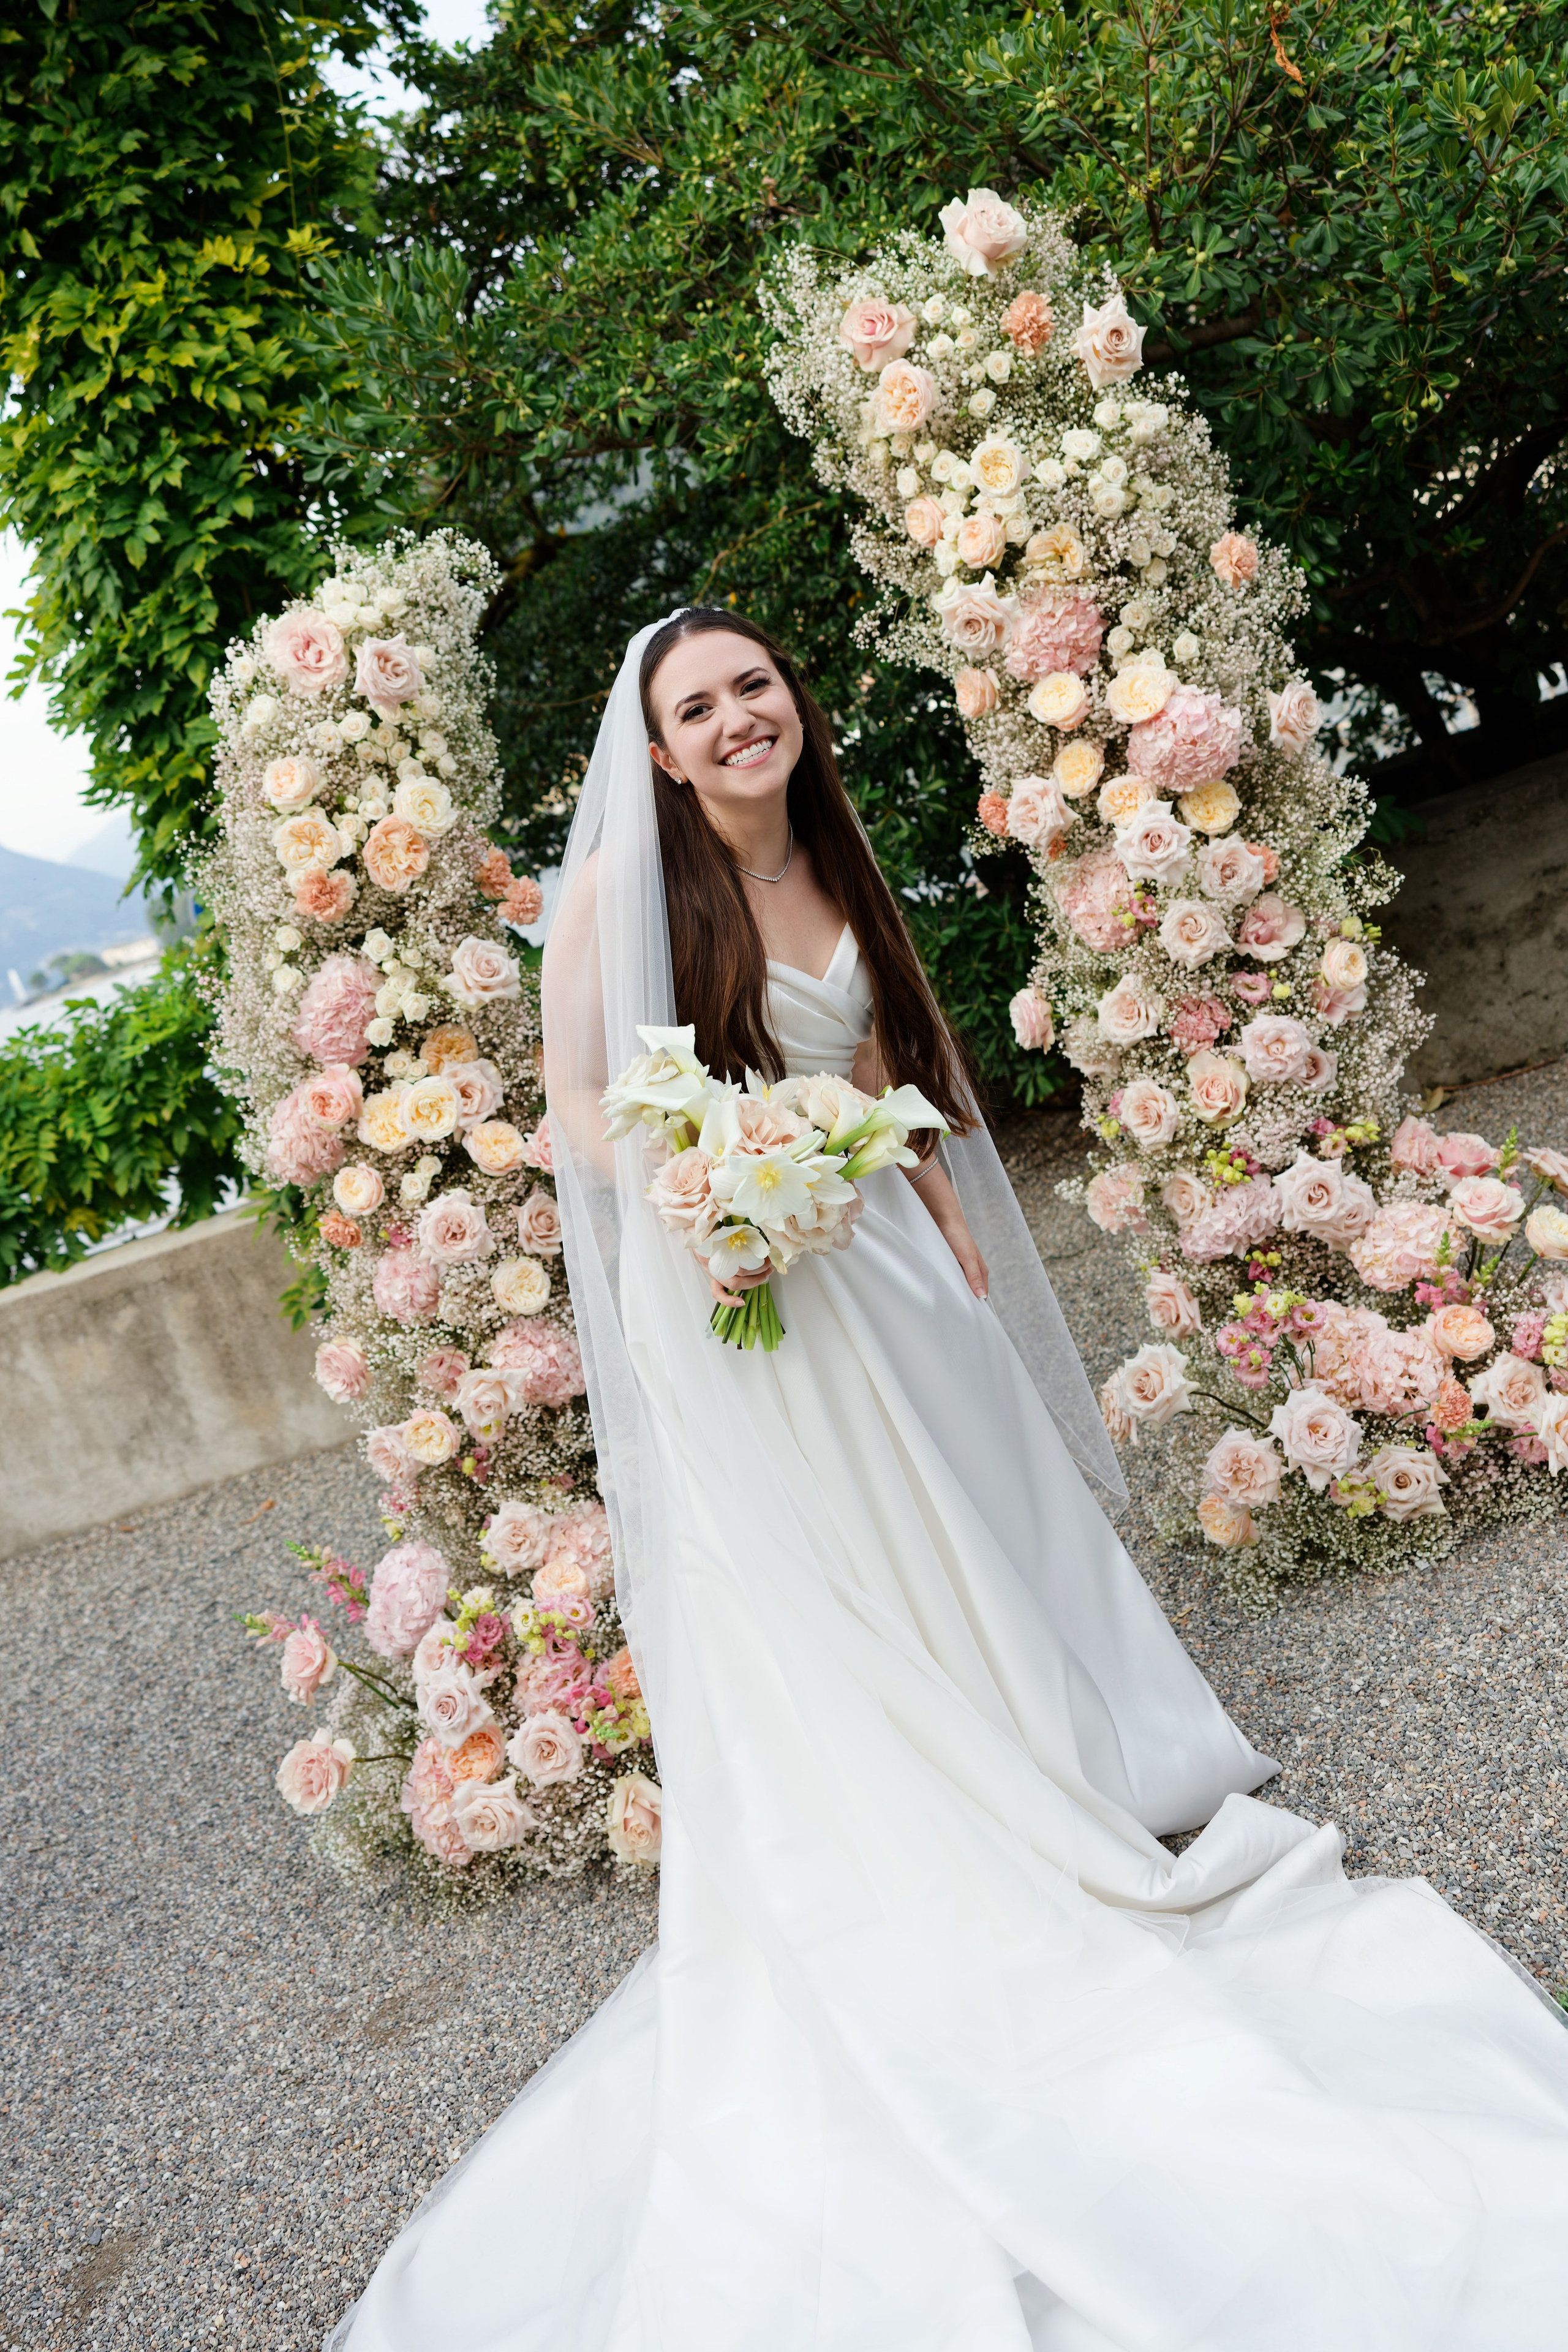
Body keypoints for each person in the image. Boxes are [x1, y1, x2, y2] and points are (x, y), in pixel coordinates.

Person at [330, 612, 1568, 2352]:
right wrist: (728, 1149)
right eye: (700, 707)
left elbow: (889, 1063)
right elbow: (582, 1115)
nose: (739, 716)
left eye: (757, 683)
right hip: (743, 1289)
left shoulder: (830, 851)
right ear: (664, 752)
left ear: (791, 703)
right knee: (827, 1573)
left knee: (970, 1533)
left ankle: (1035, 1762)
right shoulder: (621, 892)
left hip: (884, 1271)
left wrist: (930, 1214)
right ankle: (916, 1828)